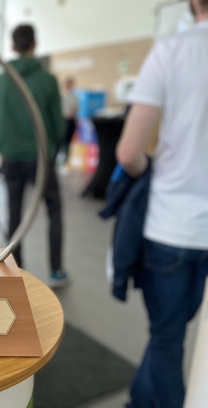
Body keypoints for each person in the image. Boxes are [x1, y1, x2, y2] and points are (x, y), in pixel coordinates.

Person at [116, 1, 208, 406]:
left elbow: (127, 153)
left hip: (171, 225)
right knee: (177, 332)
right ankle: (140, 398)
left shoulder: (173, 50)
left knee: (168, 338)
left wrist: (147, 166)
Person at [0, 24, 69, 288]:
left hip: (11, 157)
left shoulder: (2, 80)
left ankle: (17, 272)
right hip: (40, 158)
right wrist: (51, 145)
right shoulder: (47, 80)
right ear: (34, 45)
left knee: (15, 215)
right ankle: (57, 271)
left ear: (13, 47)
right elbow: (58, 125)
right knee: (54, 209)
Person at [59, 76, 78, 164]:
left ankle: (65, 160)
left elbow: (75, 108)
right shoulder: (60, 96)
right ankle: (57, 159)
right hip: (62, 121)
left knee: (68, 141)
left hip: (70, 121)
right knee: (60, 142)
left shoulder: (74, 97)